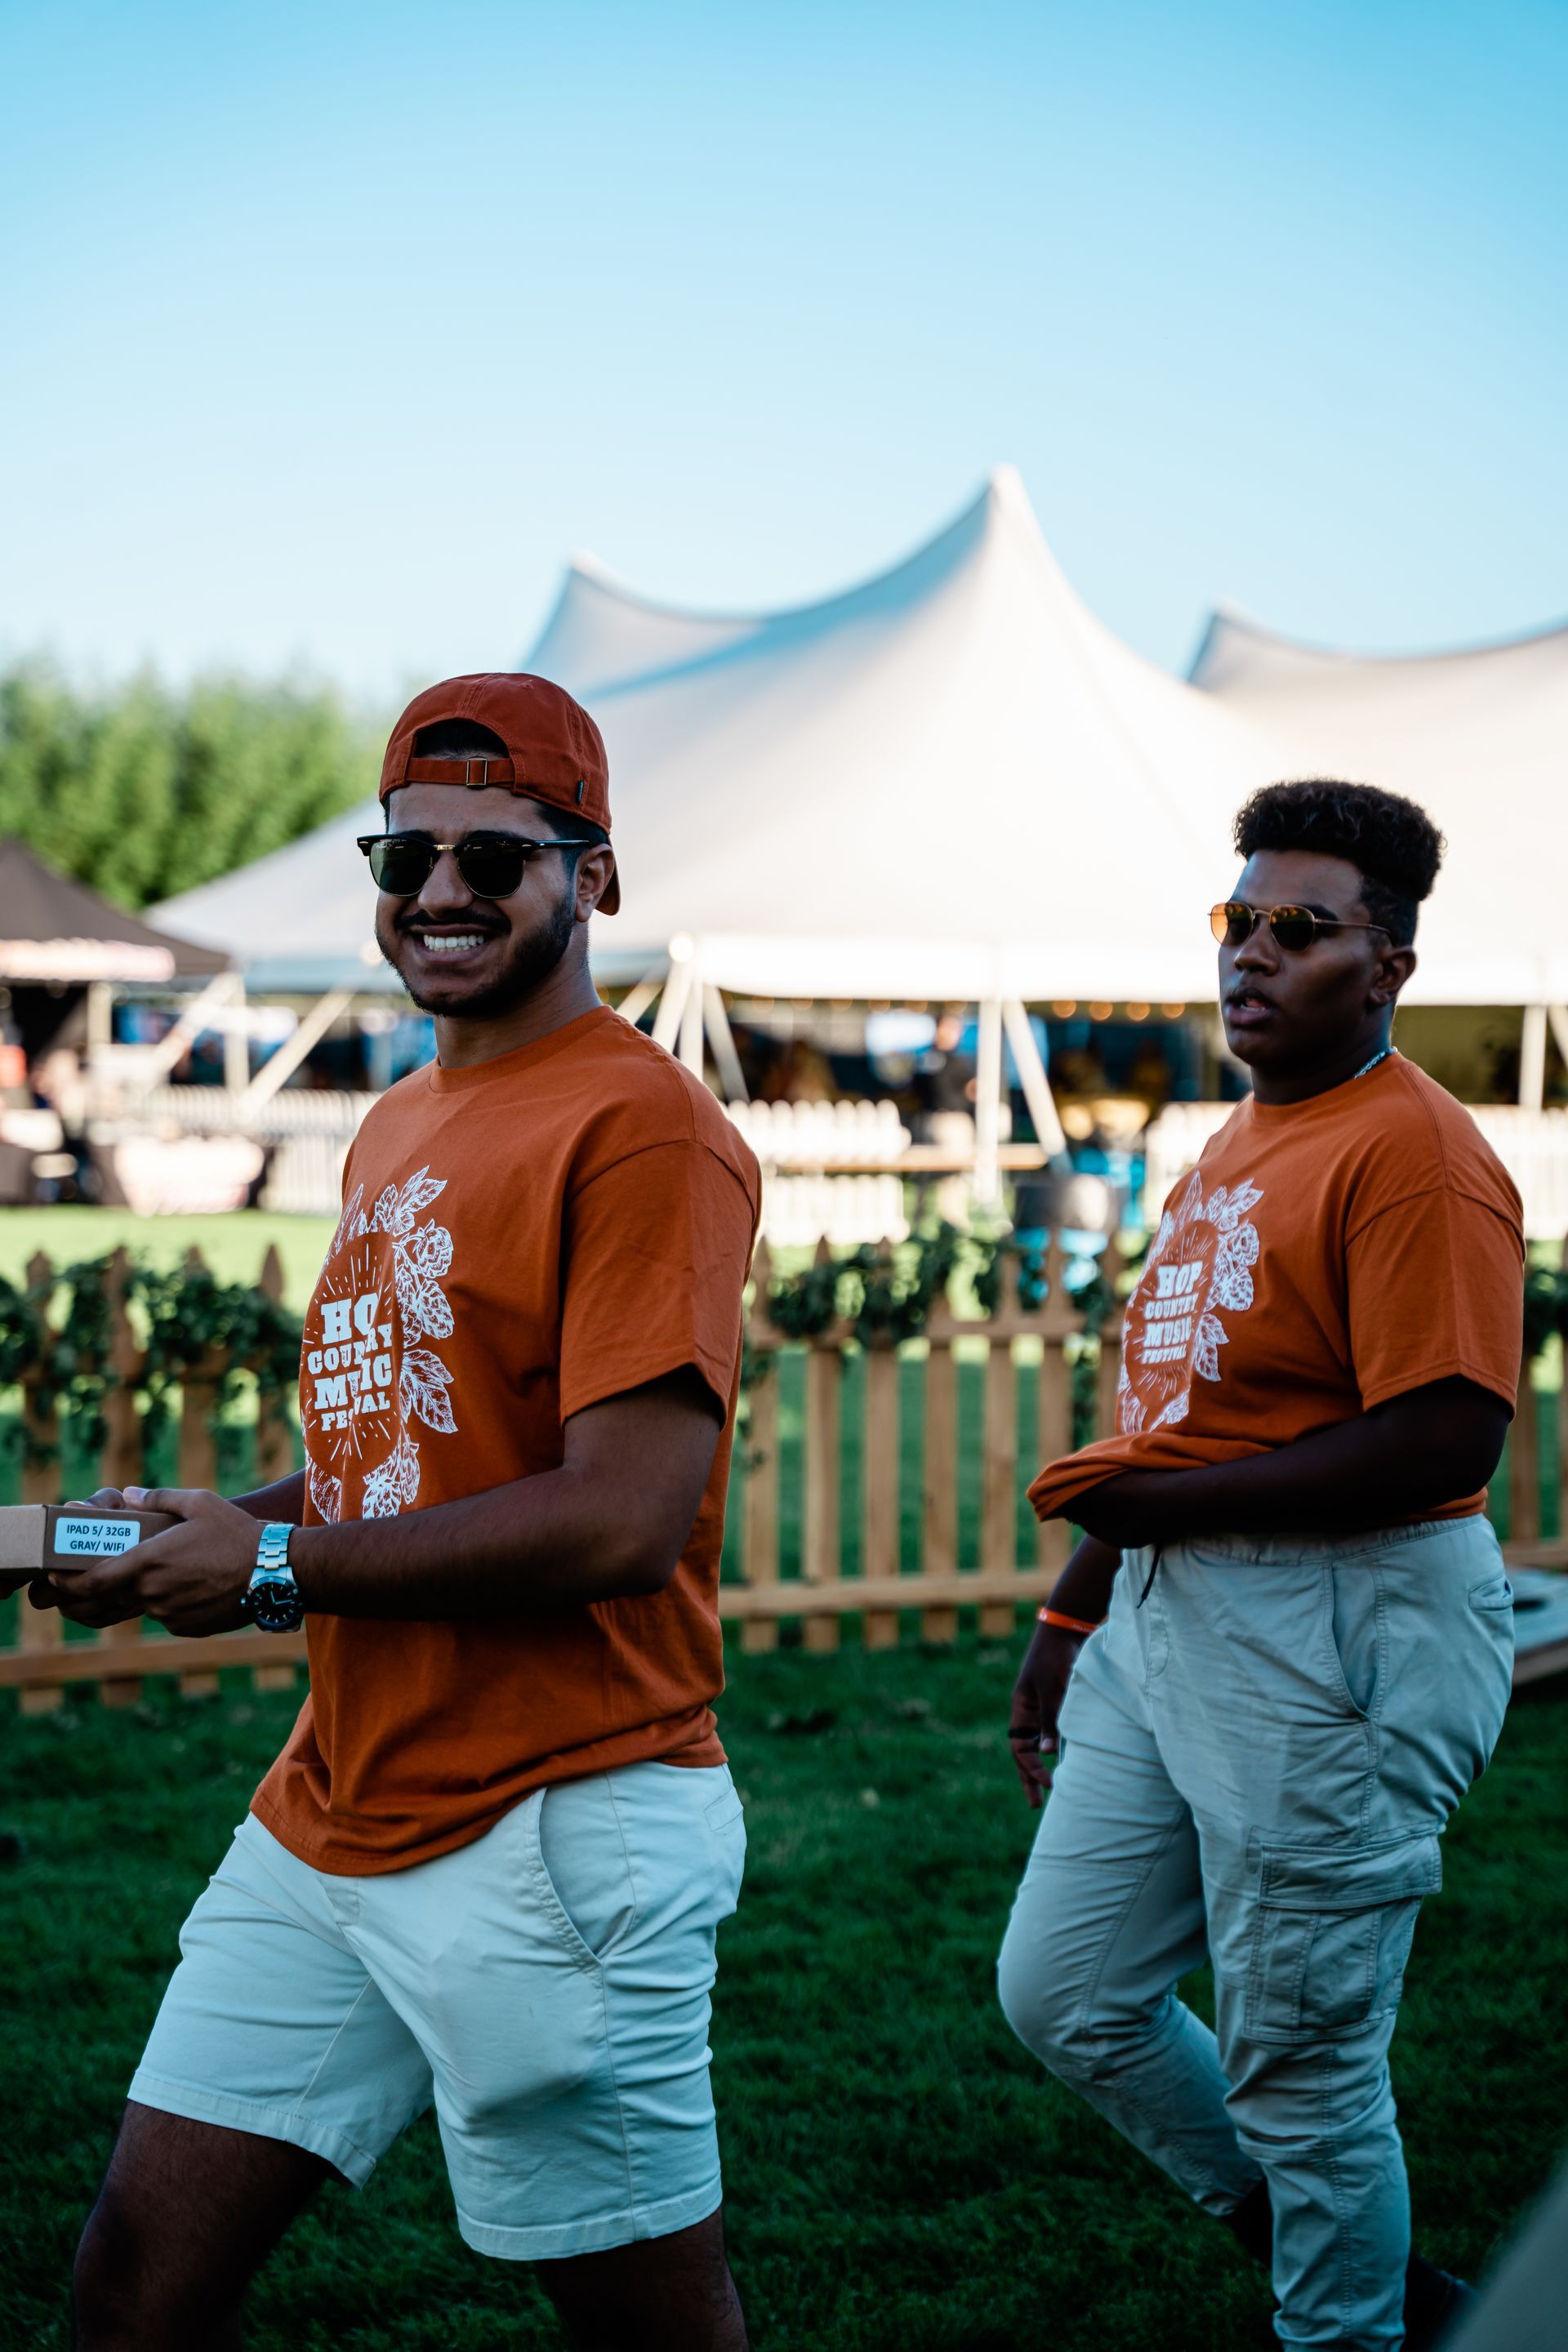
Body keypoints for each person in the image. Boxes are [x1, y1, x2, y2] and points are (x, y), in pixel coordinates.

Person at [26, 673, 761, 2351]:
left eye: (495, 861)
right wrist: (215, 1522)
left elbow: (622, 1522)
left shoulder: (644, 1127)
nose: (438, 893)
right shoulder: (402, 1118)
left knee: (650, 2328)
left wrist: (273, 1567)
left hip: (557, 1832)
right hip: (335, 1807)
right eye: (404, 855)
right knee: (137, 2277)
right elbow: (409, 1456)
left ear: (597, 876)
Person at [998, 780, 1525, 2352]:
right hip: (1170, 1615)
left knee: (1301, 2062)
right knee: (1067, 1991)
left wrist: (1185, 1507)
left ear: (1388, 967)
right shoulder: (1236, 1140)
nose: (1252, 954)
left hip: (1340, 1625)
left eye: (1302, 928)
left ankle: (1349, 2321)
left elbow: (1448, 1437)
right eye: (1238, 921)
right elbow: (1171, 1427)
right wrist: (1070, 1614)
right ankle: (1346, 2261)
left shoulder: (1414, 1156)